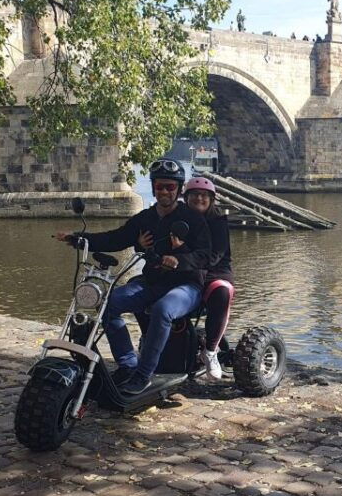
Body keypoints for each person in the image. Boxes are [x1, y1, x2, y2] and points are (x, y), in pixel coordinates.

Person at [54, 158, 211, 394]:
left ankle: (143, 375)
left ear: (179, 189)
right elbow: (116, 238)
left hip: (186, 285)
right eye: (159, 186)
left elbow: (207, 255)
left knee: (163, 309)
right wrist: (78, 239)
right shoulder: (145, 218)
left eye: (170, 187)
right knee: (109, 303)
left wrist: (179, 260)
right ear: (154, 187)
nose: (164, 191)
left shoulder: (194, 219)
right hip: (152, 282)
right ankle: (128, 364)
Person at [182, 177, 234, 380]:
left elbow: (215, 256)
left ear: (212, 199)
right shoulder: (179, 219)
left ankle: (211, 351)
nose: (199, 199)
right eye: (194, 195)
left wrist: (181, 253)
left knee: (222, 291)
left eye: (204, 196)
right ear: (186, 198)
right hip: (187, 272)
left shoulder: (218, 223)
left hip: (214, 272)